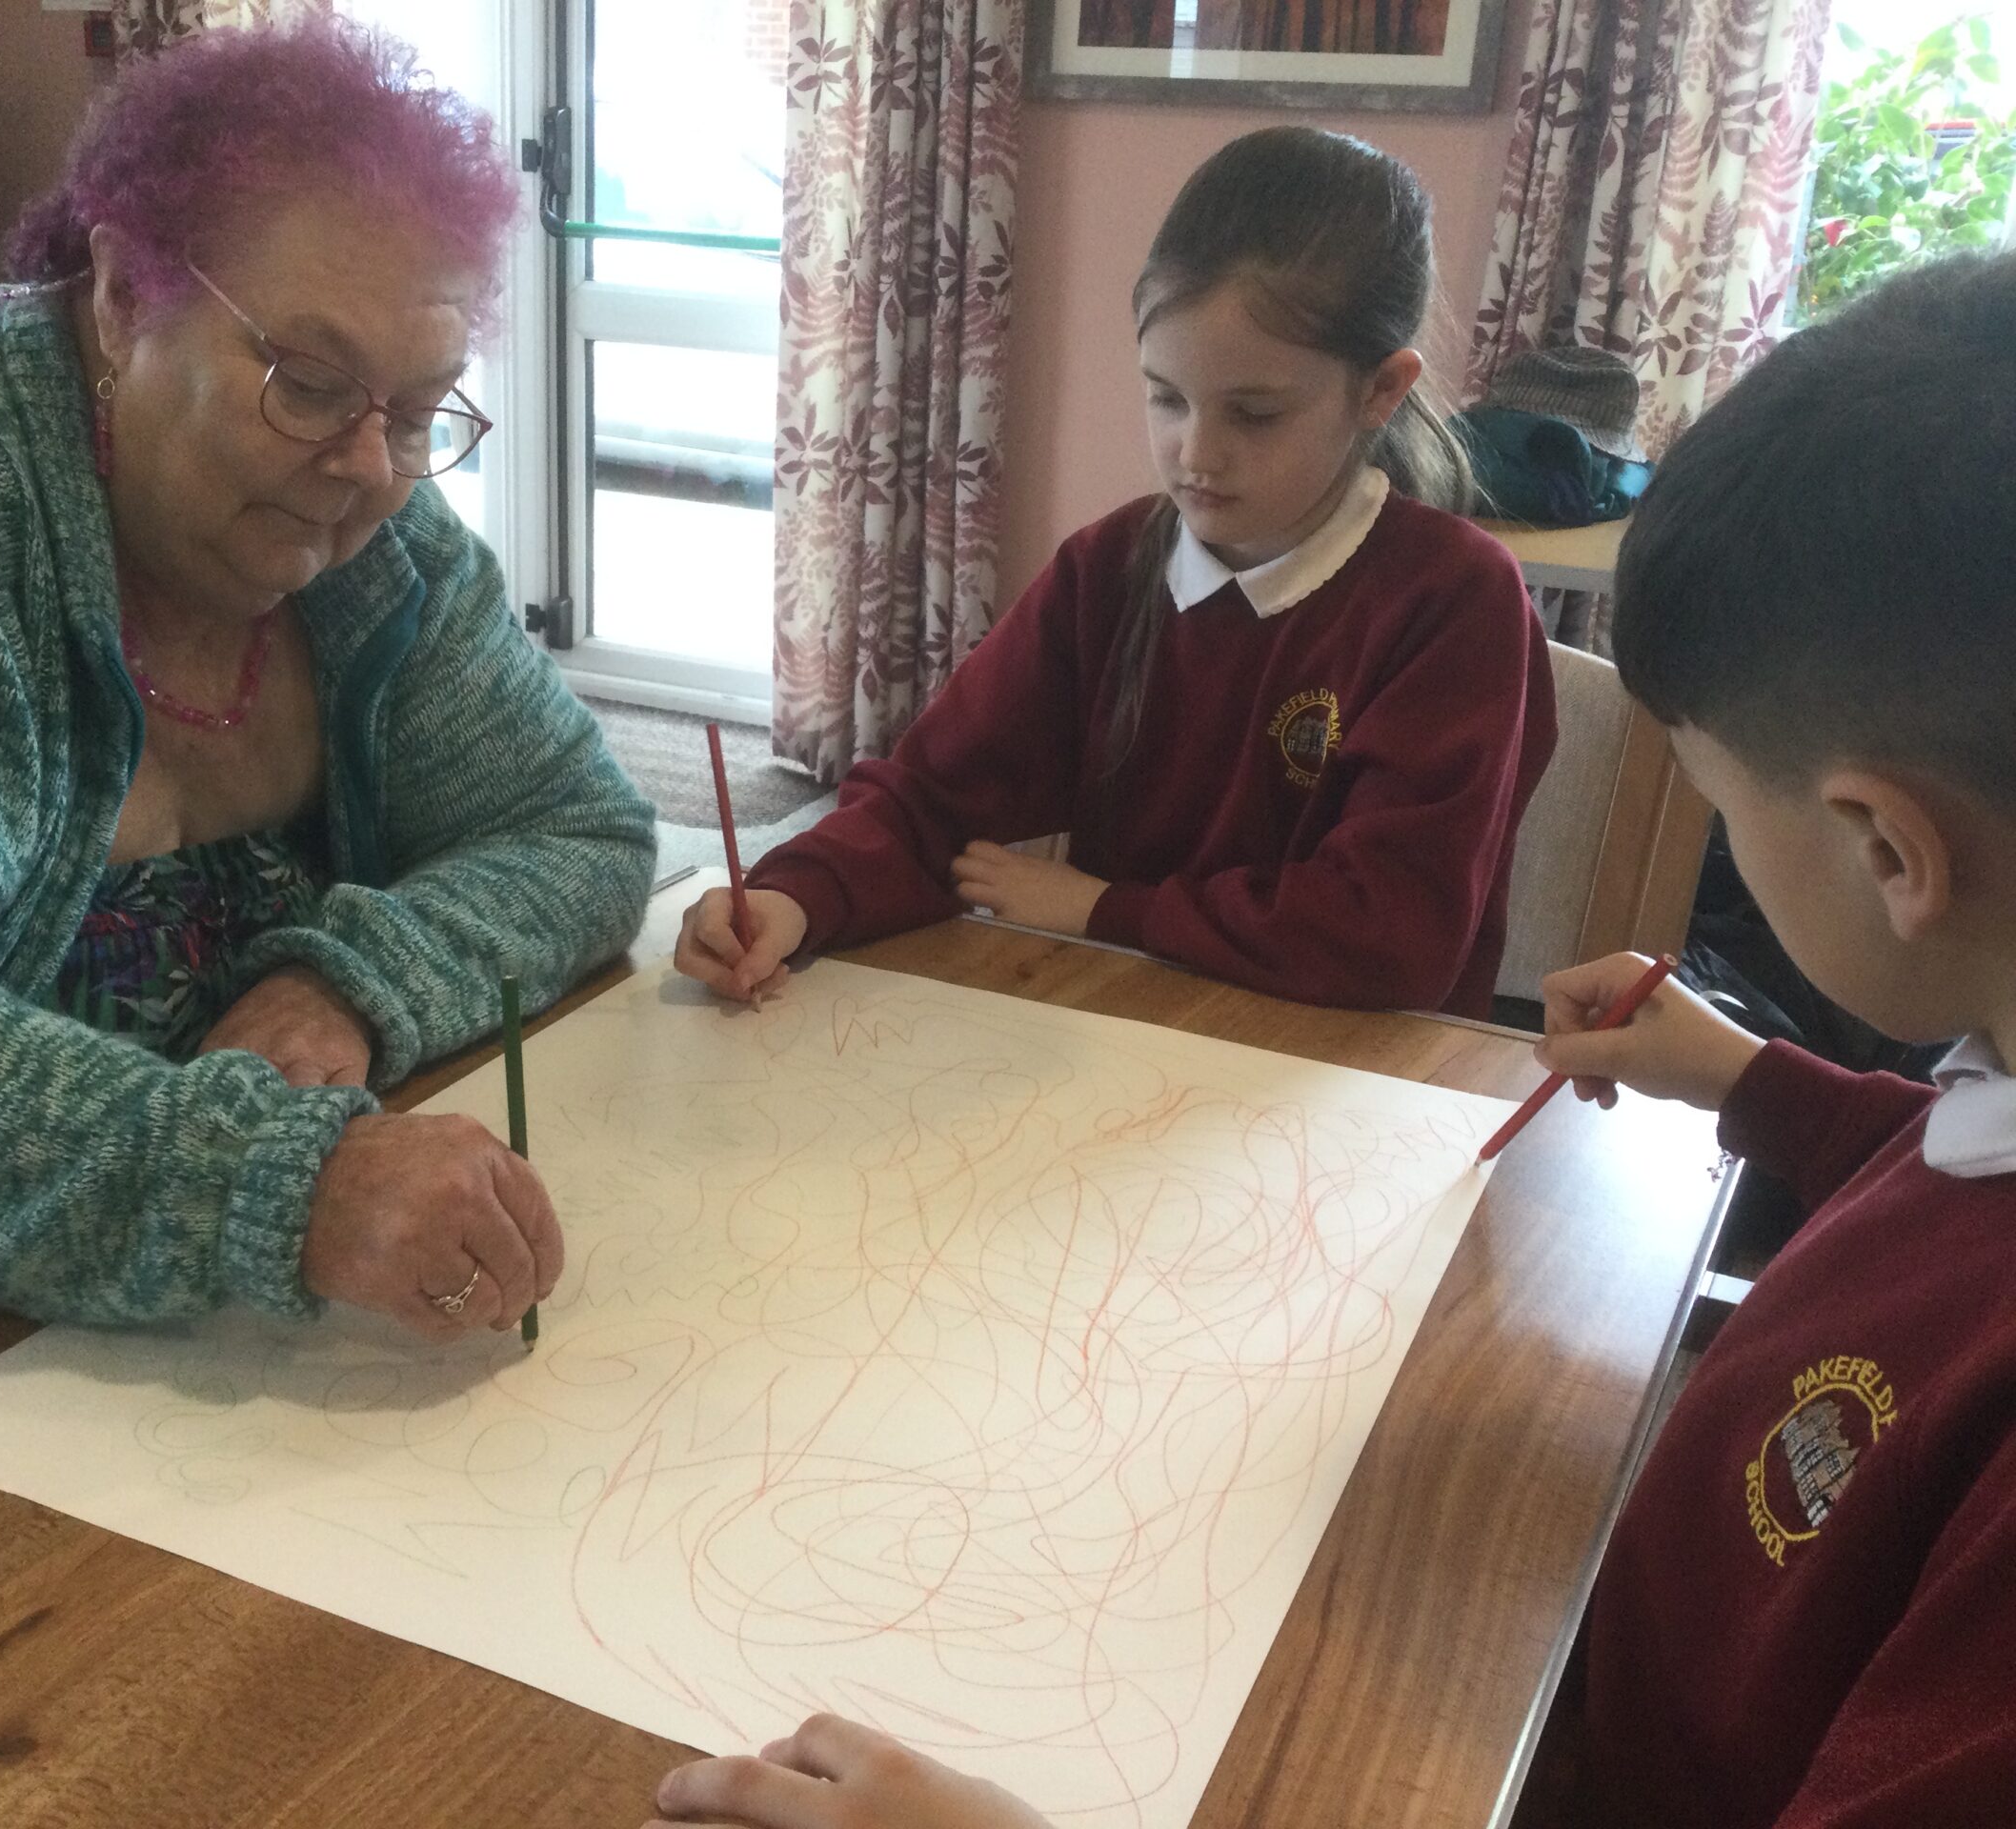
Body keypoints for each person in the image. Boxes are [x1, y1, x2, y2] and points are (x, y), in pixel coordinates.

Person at [643, 251, 2016, 1829]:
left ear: (1888, 854)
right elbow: (1938, 1193)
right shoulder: (1976, 1093)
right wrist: (1762, 1082)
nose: (1195, 449)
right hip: (1591, 1685)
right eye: (1168, 400)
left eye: (1714, 797)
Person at [0, 21, 655, 1341]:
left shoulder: (370, 541)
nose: (375, 466)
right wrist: (276, 1182)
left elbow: (575, 828)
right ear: (122, 298)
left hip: (146, 1336)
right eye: (308, 383)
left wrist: (348, 980)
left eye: (423, 408)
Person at [676, 126, 1554, 1020]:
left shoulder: (1455, 600)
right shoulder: (1108, 568)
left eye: (1254, 415)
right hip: (1134, 1037)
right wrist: (796, 896)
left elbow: (1389, 937)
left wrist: (1106, 910)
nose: (1196, 455)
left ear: (1381, 391)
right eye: (1166, 398)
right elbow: (932, 799)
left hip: (1356, 1077)